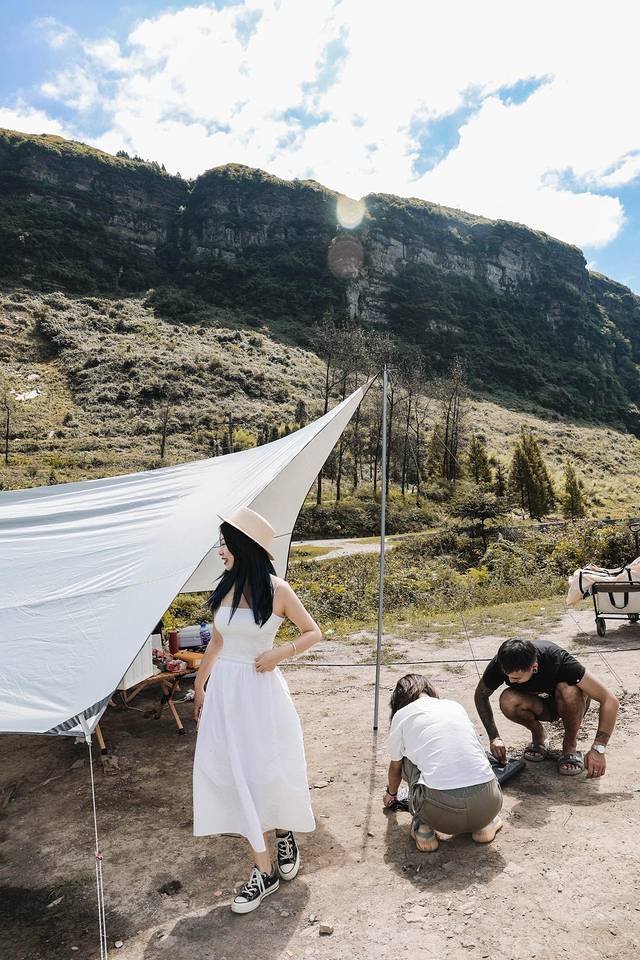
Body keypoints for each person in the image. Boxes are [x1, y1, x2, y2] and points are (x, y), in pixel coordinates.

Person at [192, 506, 321, 914]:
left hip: (262, 692)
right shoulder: (224, 588)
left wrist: (280, 653)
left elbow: (313, 632)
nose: (220, 551)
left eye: (225, 544)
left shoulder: (277, 590)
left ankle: (284, 834)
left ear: (243, 546)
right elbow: (218, 643)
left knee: (269, 768)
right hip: (225, 694)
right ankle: (264, 871)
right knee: (237, 773)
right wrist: (199, 684)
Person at [383, 674, 503, 851]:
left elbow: (396, 767)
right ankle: (484, 825)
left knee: (404, 758)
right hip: (489, 804)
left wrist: (391, 794)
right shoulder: (454, 706)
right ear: (429, 689)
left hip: (440, 816)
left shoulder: (401, 715)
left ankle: (423, 828)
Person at [474, 637, 619, 778]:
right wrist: (494, 737)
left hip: (568, 705)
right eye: (507, 676)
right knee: (508, 699)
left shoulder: (558, 659)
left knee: (570, 690)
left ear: (534, 667)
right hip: (538, 705)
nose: (511, 680)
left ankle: (570, 746)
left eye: (517, 678)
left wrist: (598, 749)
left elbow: (610, 700)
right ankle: (539, 736)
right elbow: (480, 696)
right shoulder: (502, 662)